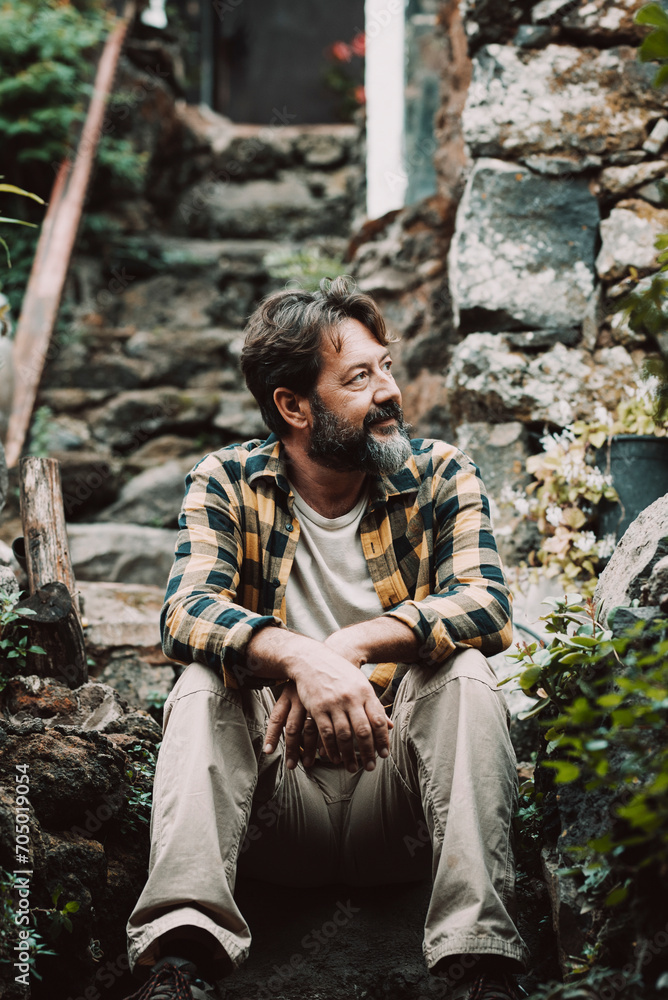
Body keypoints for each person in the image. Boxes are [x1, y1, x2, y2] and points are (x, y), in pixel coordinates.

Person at [123, 277, 529, 1000]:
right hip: (279, 804)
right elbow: (184, 612)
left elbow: (488, 605)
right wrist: (299, 655)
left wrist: (355, 646)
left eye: (386, 368)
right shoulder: (227, 480)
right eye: (359, 378)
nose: (389, 392)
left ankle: (480, 960)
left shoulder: (440, 474)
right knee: (200, 681)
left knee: (465, 671)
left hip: (399, 802)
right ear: (293, 405)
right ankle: (180, 957)